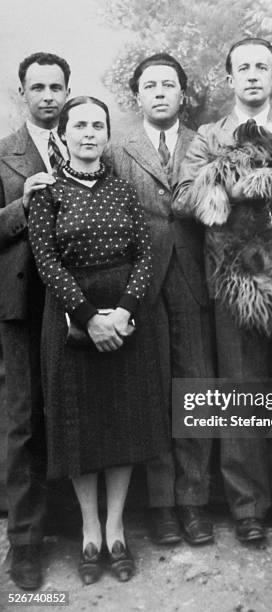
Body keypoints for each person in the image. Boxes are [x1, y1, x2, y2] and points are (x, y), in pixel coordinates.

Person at [174, 38, 272, 542]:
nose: (253, 76)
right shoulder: (208, 135)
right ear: (230, 78)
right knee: (240, 392)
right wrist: (235, 188)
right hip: (234, 278)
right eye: (244, 68)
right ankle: (247, 509)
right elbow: (183, 198)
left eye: (262, 67)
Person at [28, 96, 169, 583]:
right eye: (79, 125)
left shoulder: (123, 189)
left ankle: (116, 531)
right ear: (63, 133)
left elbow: (145, 254)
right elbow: (46, 261)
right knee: (78, 428)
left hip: (126, 319)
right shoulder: (47, 191)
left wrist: (126, 311)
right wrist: (89, 318)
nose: (89, 133)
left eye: (97, 125)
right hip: (70, 320)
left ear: (107, 134)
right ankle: (89, 533)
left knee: (122, 423)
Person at [109, 53, 215, 546]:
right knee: (152, 391)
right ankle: (162, 507)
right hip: (140, 284)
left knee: (194, 389)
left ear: (182, 94)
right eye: (149, 85)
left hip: (195, 281)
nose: (158, 92)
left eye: (168, 84)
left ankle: (194, 502)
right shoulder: (117, 150)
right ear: (138, 95)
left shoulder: (205, 143)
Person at [0, 52, 70, 590]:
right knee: (22, 423)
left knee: (70, 410)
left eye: (56, 87)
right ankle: (24, 542)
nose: (48, 96)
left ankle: (69, 520)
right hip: (21, 306)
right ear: (21, 92)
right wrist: (22, 203)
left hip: (74, 304)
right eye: (38, 87)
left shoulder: (85, 142)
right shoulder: (3, 154)